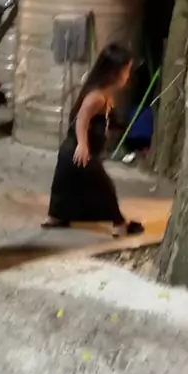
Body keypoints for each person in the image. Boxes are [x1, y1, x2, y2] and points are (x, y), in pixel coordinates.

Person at [42, 43, 144, 238]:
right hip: (79, 150)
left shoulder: (105, 94)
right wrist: (82, 144)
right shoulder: (96, 97)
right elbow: (81, 119)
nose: (128, 76)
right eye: (126, 71)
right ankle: (119, 224)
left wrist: (119, 126)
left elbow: (104, 120)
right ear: (113, 73)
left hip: (72, 151)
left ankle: (55, 217)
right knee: (103, 186)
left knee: (66, 185)